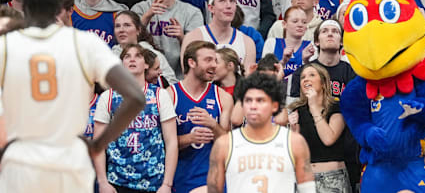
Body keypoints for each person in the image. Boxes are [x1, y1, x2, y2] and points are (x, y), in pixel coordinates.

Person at [0, 0, 145, 192]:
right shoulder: (84, 43)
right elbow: (136, 96)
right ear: (61, 7)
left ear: (24, 4)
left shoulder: (6, 45)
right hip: (70, 159)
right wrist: (99, 144)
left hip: (22, 158)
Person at [207, 72, 316, 193]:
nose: (253, 106)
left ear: (274, 106)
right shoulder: (224, 144)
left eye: (260, 100)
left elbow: (307, 189)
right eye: (248, 100)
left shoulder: (294, 142)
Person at [93, 44, 178, 193]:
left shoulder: (159, 95)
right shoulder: (108, 97)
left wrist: (167, 184)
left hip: (154, 182)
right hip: (118, 181)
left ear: (146, 64)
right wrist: (102, 182)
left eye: (138, 56)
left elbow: (171, 142)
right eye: (127, 56)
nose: (132, 59)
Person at [168, 41, 233, 193]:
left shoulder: (222, 97)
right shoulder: (170, 95)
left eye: (216, 60)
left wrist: (213, 125)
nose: (214, 65)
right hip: (180, 178)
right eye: (208, 60)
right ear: (191, 62)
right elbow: (160, 143)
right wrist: (189, 138)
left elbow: (228, 145)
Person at [132, 0, 204, 77]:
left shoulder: (192, 12)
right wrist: (147, 16)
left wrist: (182, 37)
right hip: (145, 76)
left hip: (180, 77)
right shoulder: (140, 8)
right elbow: (130, 42)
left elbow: (198, 51)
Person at [288, 63, 350, 192]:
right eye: (303, 77)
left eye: (312, 75)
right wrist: (293, 128)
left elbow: (328, 139)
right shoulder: (298, 110)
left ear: (323, 82)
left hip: (333, 179)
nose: (306, 79)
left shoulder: (337, 107)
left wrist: (314, 107)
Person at [181, 0, 257, 68]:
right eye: (222, 1)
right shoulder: (193, 38)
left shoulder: (247, 43)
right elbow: (188, 75)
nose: (228, 6)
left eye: (232, 1)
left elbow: (247, 79)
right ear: (211, 8)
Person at [113, 10, 177, 83]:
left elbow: (172, 83)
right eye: (117, 26)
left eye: (127, 25)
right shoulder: (108, 56)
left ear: (138, 30)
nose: (121, 30)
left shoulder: (153, 54)